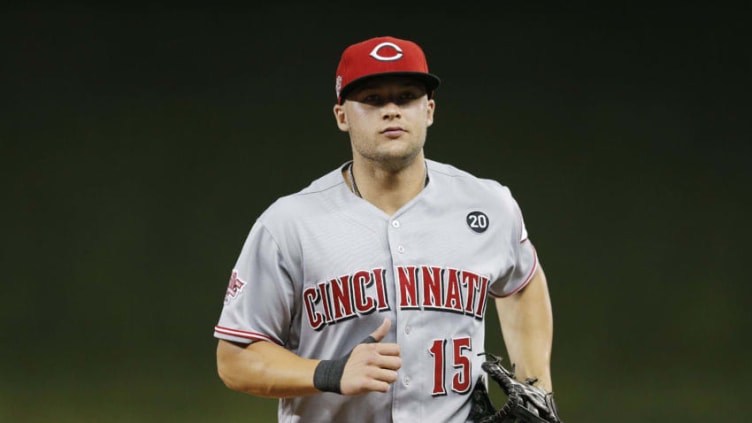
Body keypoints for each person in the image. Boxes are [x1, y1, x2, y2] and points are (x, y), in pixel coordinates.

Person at [214, 35, 558, 423]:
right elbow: (235, 358)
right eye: (373, 100)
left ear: (428, 110)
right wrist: (328, 372)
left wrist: (536, 386)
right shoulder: (288, 224)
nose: (392, 110)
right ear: (342, 116)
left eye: (407, 97)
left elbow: (522, 282)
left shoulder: (488, 205)